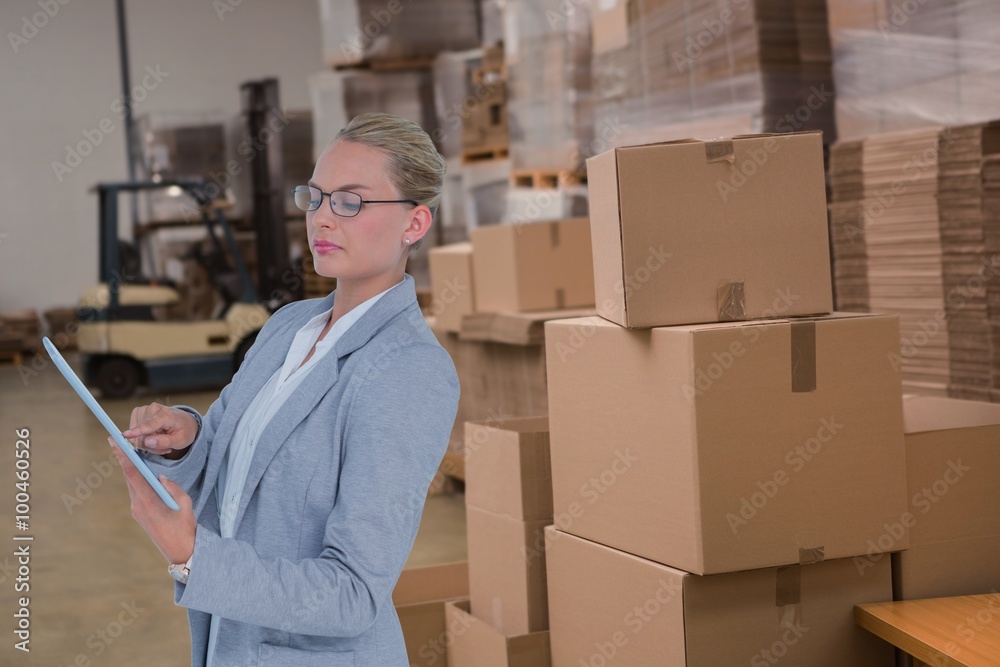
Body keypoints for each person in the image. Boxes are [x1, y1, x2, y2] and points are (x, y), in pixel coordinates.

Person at [108, 112, 460, 667]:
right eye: (315, 197)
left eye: (350, 201)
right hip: (232, 642)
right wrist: (186, 438)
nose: (321, 218)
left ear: (414, 224)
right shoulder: (287, 326)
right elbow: (230, 452)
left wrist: (194, 557)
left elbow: (352, 594)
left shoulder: (408, 372)